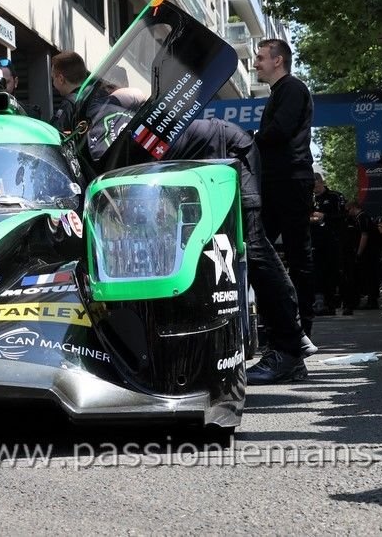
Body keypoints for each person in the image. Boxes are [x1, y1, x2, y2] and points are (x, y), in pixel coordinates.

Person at [78, 90, 314, 383]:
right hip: (201, 160)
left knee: (251, 247)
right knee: (227, 249)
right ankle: (290, 339)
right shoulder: (98, 136)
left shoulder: (97, 116)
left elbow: (131, 94)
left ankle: (289, 350)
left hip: (227, 149)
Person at [254, 38, 316, 337]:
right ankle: (280, 321)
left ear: (277, 60)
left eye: (260, 58)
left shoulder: (292, 89)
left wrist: (247, 139)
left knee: (296, 252)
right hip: (278, 180)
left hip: (290, 180)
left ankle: (302, 325)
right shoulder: (281, 91)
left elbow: (278, 131)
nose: (255, 64)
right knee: (260, 249)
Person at [310, 173, 346, 315]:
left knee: (333, 271)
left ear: (321, 182)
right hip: (315, 240)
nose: (314, 189)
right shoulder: (309, 198)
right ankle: (319, 302)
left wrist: (325, 216)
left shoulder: (334, 197)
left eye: (316, 186)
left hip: (333, 240)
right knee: (316, 271)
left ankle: (333, 303)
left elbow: (343, 216)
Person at [346, 200, 382, 312]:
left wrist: (359, 252)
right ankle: (372, 299)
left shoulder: (362, 218)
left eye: (348, 210)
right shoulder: (363, 217)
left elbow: (364, 235)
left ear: (353, 207)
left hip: (369, 252)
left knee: (370, 275)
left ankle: (372, 300)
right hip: (371, 251)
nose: (348, 213)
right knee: (370, 276)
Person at [50, 51, 88, 133]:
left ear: (61, 79)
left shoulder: (69, 103)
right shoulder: (91, 96)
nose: (53, 83)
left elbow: (55, 134)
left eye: (53, 78)